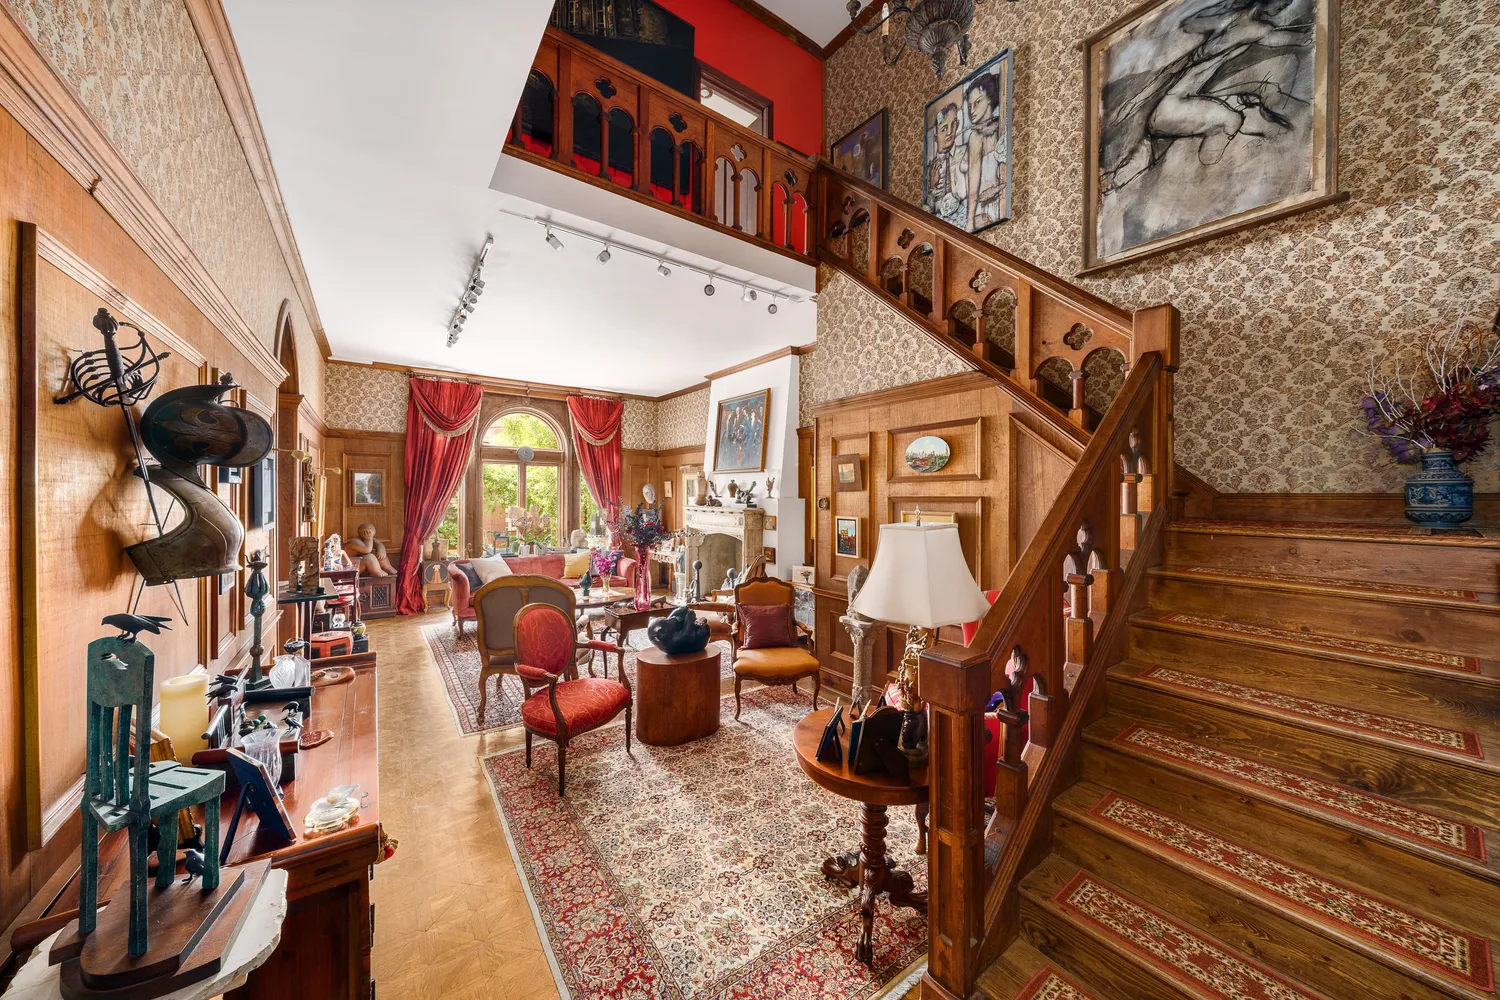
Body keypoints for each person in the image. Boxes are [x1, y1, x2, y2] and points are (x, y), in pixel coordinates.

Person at [963, 72, 1008, 231]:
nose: (972, 110)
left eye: (978, 102)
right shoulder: (975, 137)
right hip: (983, 208)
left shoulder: (1000, 127)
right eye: (969, 106)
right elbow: (973, 184)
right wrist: (969, 223)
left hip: (997, 206)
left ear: (990, 99)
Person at [925, 102, 966, 226]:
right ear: (936, 135)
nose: (949, 132)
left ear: (957, 125)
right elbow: (926, 216)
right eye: (943, 129)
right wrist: (932, 187)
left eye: (953, 124)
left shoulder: (966, 153)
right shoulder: (929, 170)